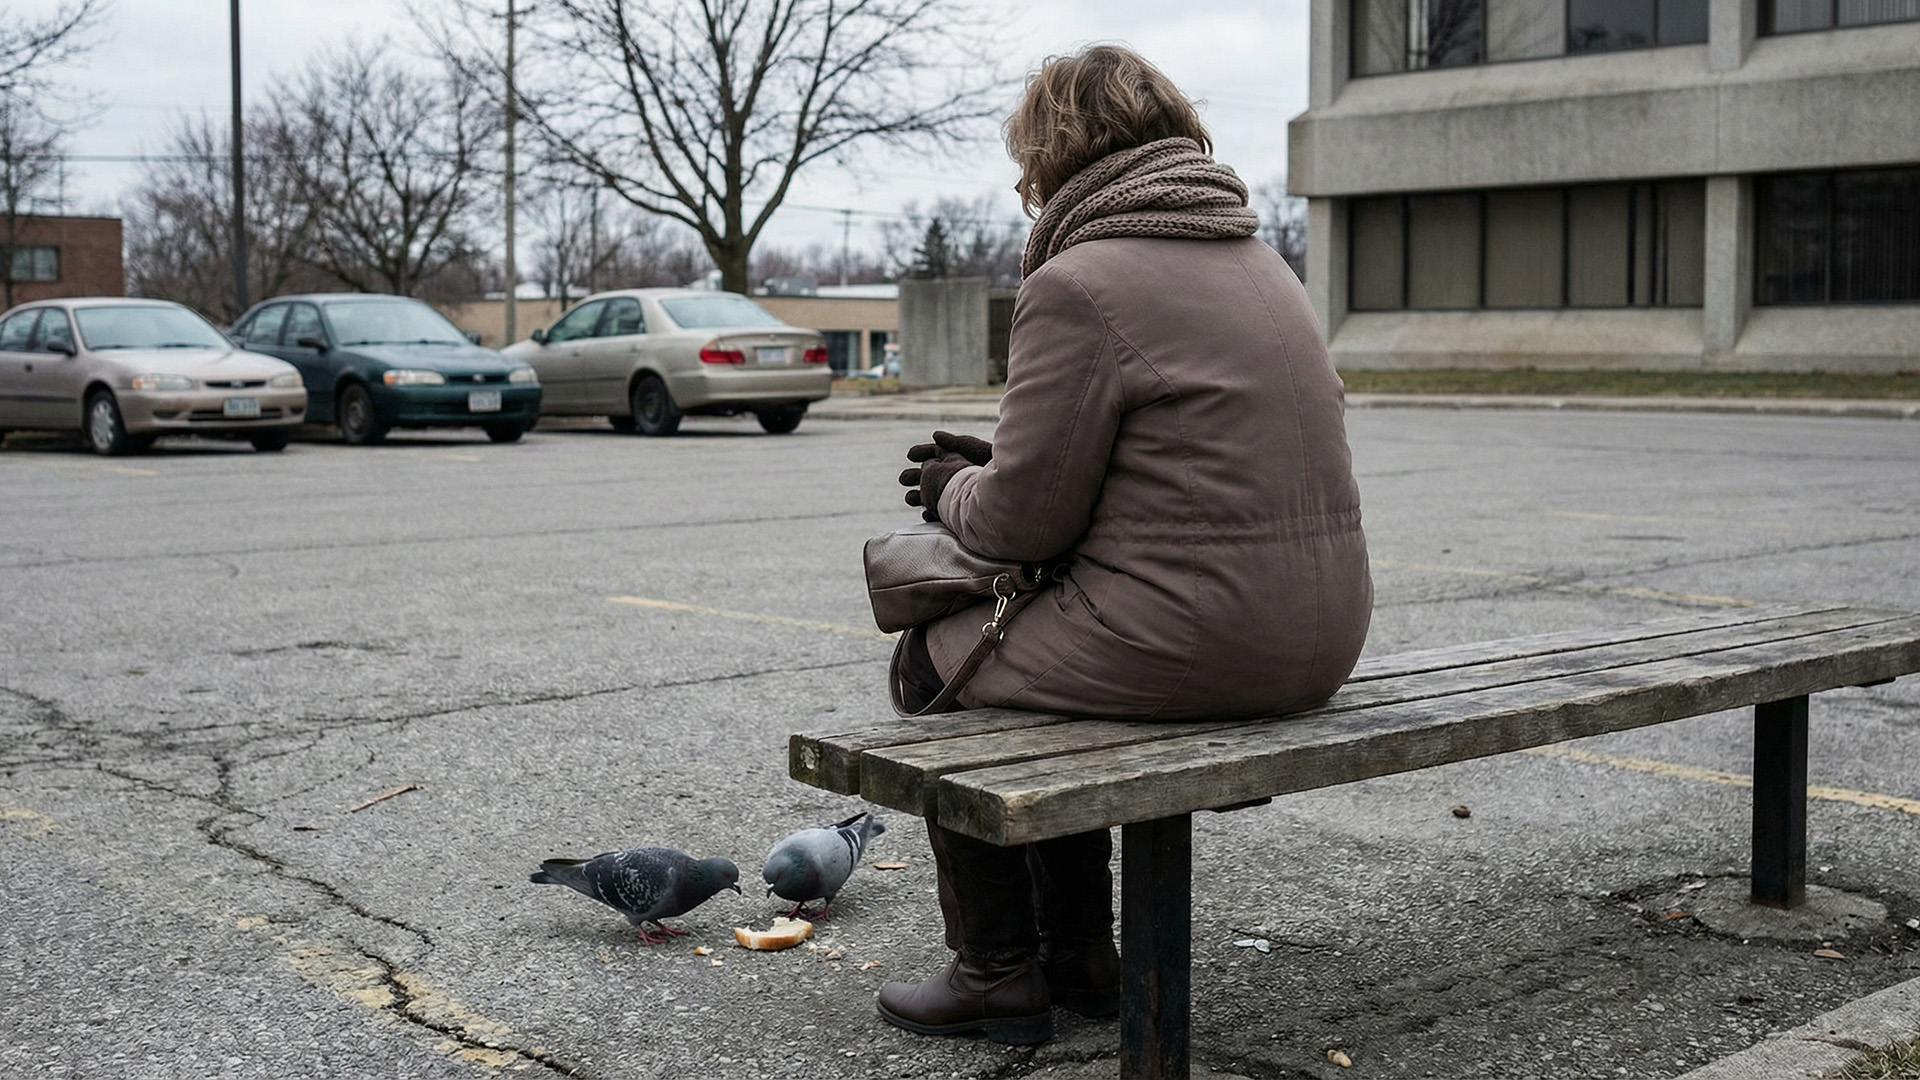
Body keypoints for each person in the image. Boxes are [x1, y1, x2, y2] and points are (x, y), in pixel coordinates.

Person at [877, 45, 1374, 1046]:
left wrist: (953, 486)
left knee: (932, 662)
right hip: (1322, 631)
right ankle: (1083, 959)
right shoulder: (1260, 261)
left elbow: (1024, 526)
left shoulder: (1078, 280)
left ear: (1050, 153)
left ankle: (1000, 971)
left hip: (1208, 638)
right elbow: (1176, 460)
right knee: (1022, 655)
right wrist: (1012, 461)